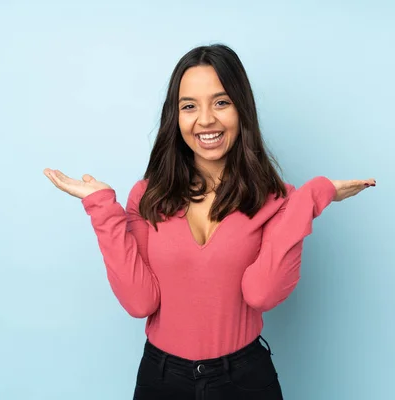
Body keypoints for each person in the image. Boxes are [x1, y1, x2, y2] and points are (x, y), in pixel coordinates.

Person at [44, 44, 375, 400]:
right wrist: (103, 209)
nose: (205, 120)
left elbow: (262, 292)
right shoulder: (147, 196)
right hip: (161, 378)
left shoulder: (277, 200)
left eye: (221, 102)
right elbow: (140, 302)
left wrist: (308, 200)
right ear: (176, 117)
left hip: (245, 379)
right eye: (189, 106)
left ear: (241, 109)